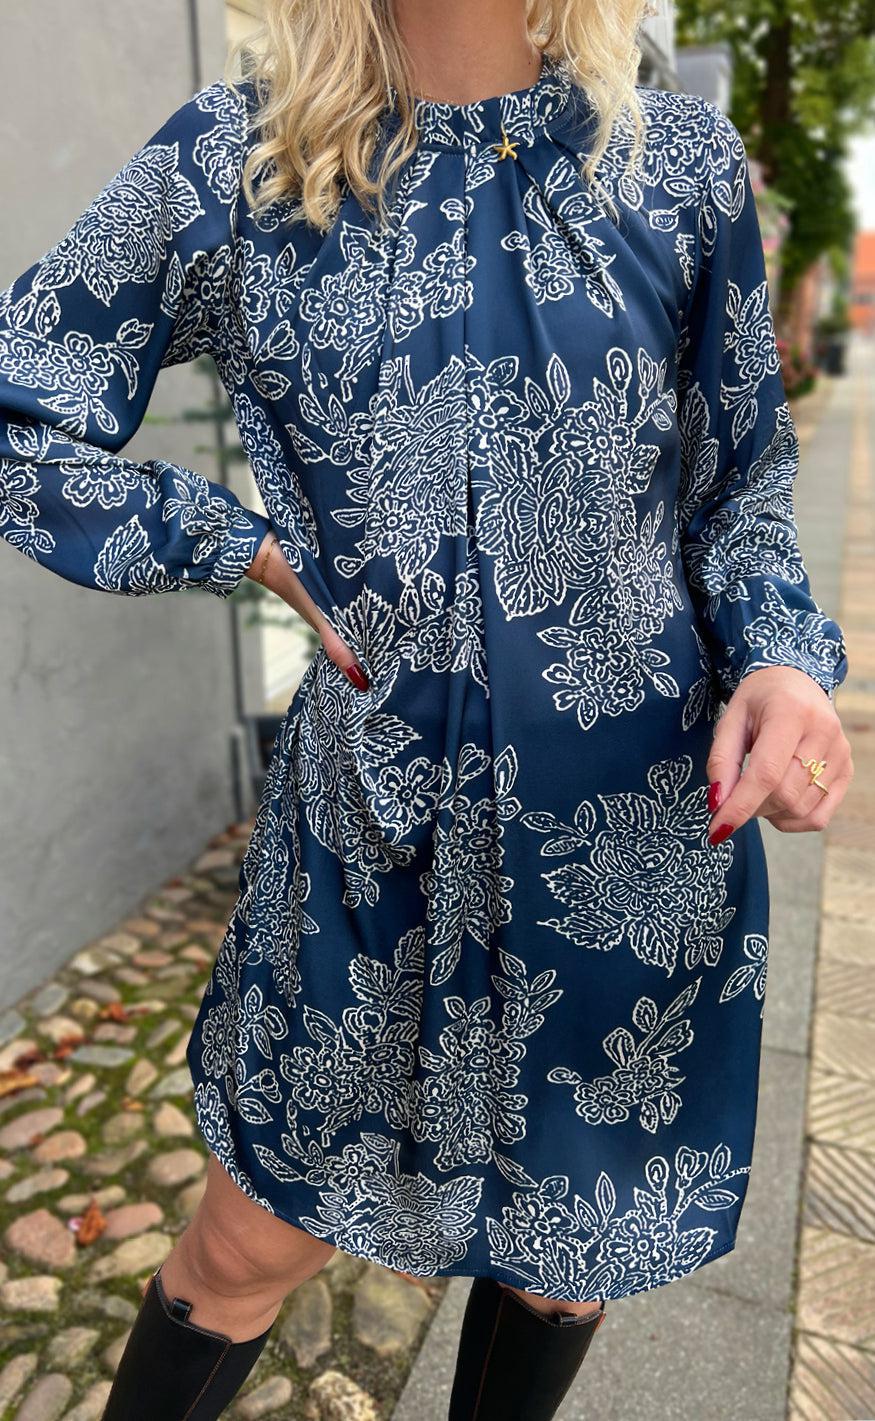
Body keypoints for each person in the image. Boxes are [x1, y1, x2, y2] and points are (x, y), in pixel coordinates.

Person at [0, 0, 853, 1417]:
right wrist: (235, 543)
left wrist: (781, 662)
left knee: (567, 1256)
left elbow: (742, 491)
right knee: (245, 1245)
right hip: (367, 842)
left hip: (629, 845)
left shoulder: (676, 169)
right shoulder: (239, 166)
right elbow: (21, 415)